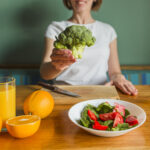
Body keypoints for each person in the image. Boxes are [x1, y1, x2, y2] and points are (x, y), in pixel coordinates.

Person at [40, 0, 138, 96]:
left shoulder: (108, 30)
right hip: (64, 93)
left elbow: (115, 72)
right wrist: (56, 67)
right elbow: (44, 73)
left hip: (99, 93)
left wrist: (118, 77)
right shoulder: (55, 28)